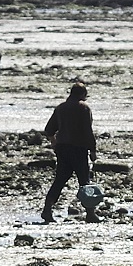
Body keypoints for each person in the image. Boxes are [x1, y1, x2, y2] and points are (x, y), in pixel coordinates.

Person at [41, 83, 99, 224]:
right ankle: (90, 214)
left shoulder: (61, 108)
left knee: (59, 180)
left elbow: (49, 129)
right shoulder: (84, 108)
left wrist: (54, 142)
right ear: (82, 95)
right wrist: (92, 150)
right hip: (78, 149)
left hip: (63, 149)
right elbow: (87, 131)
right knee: (84, 182)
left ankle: (47, 209)